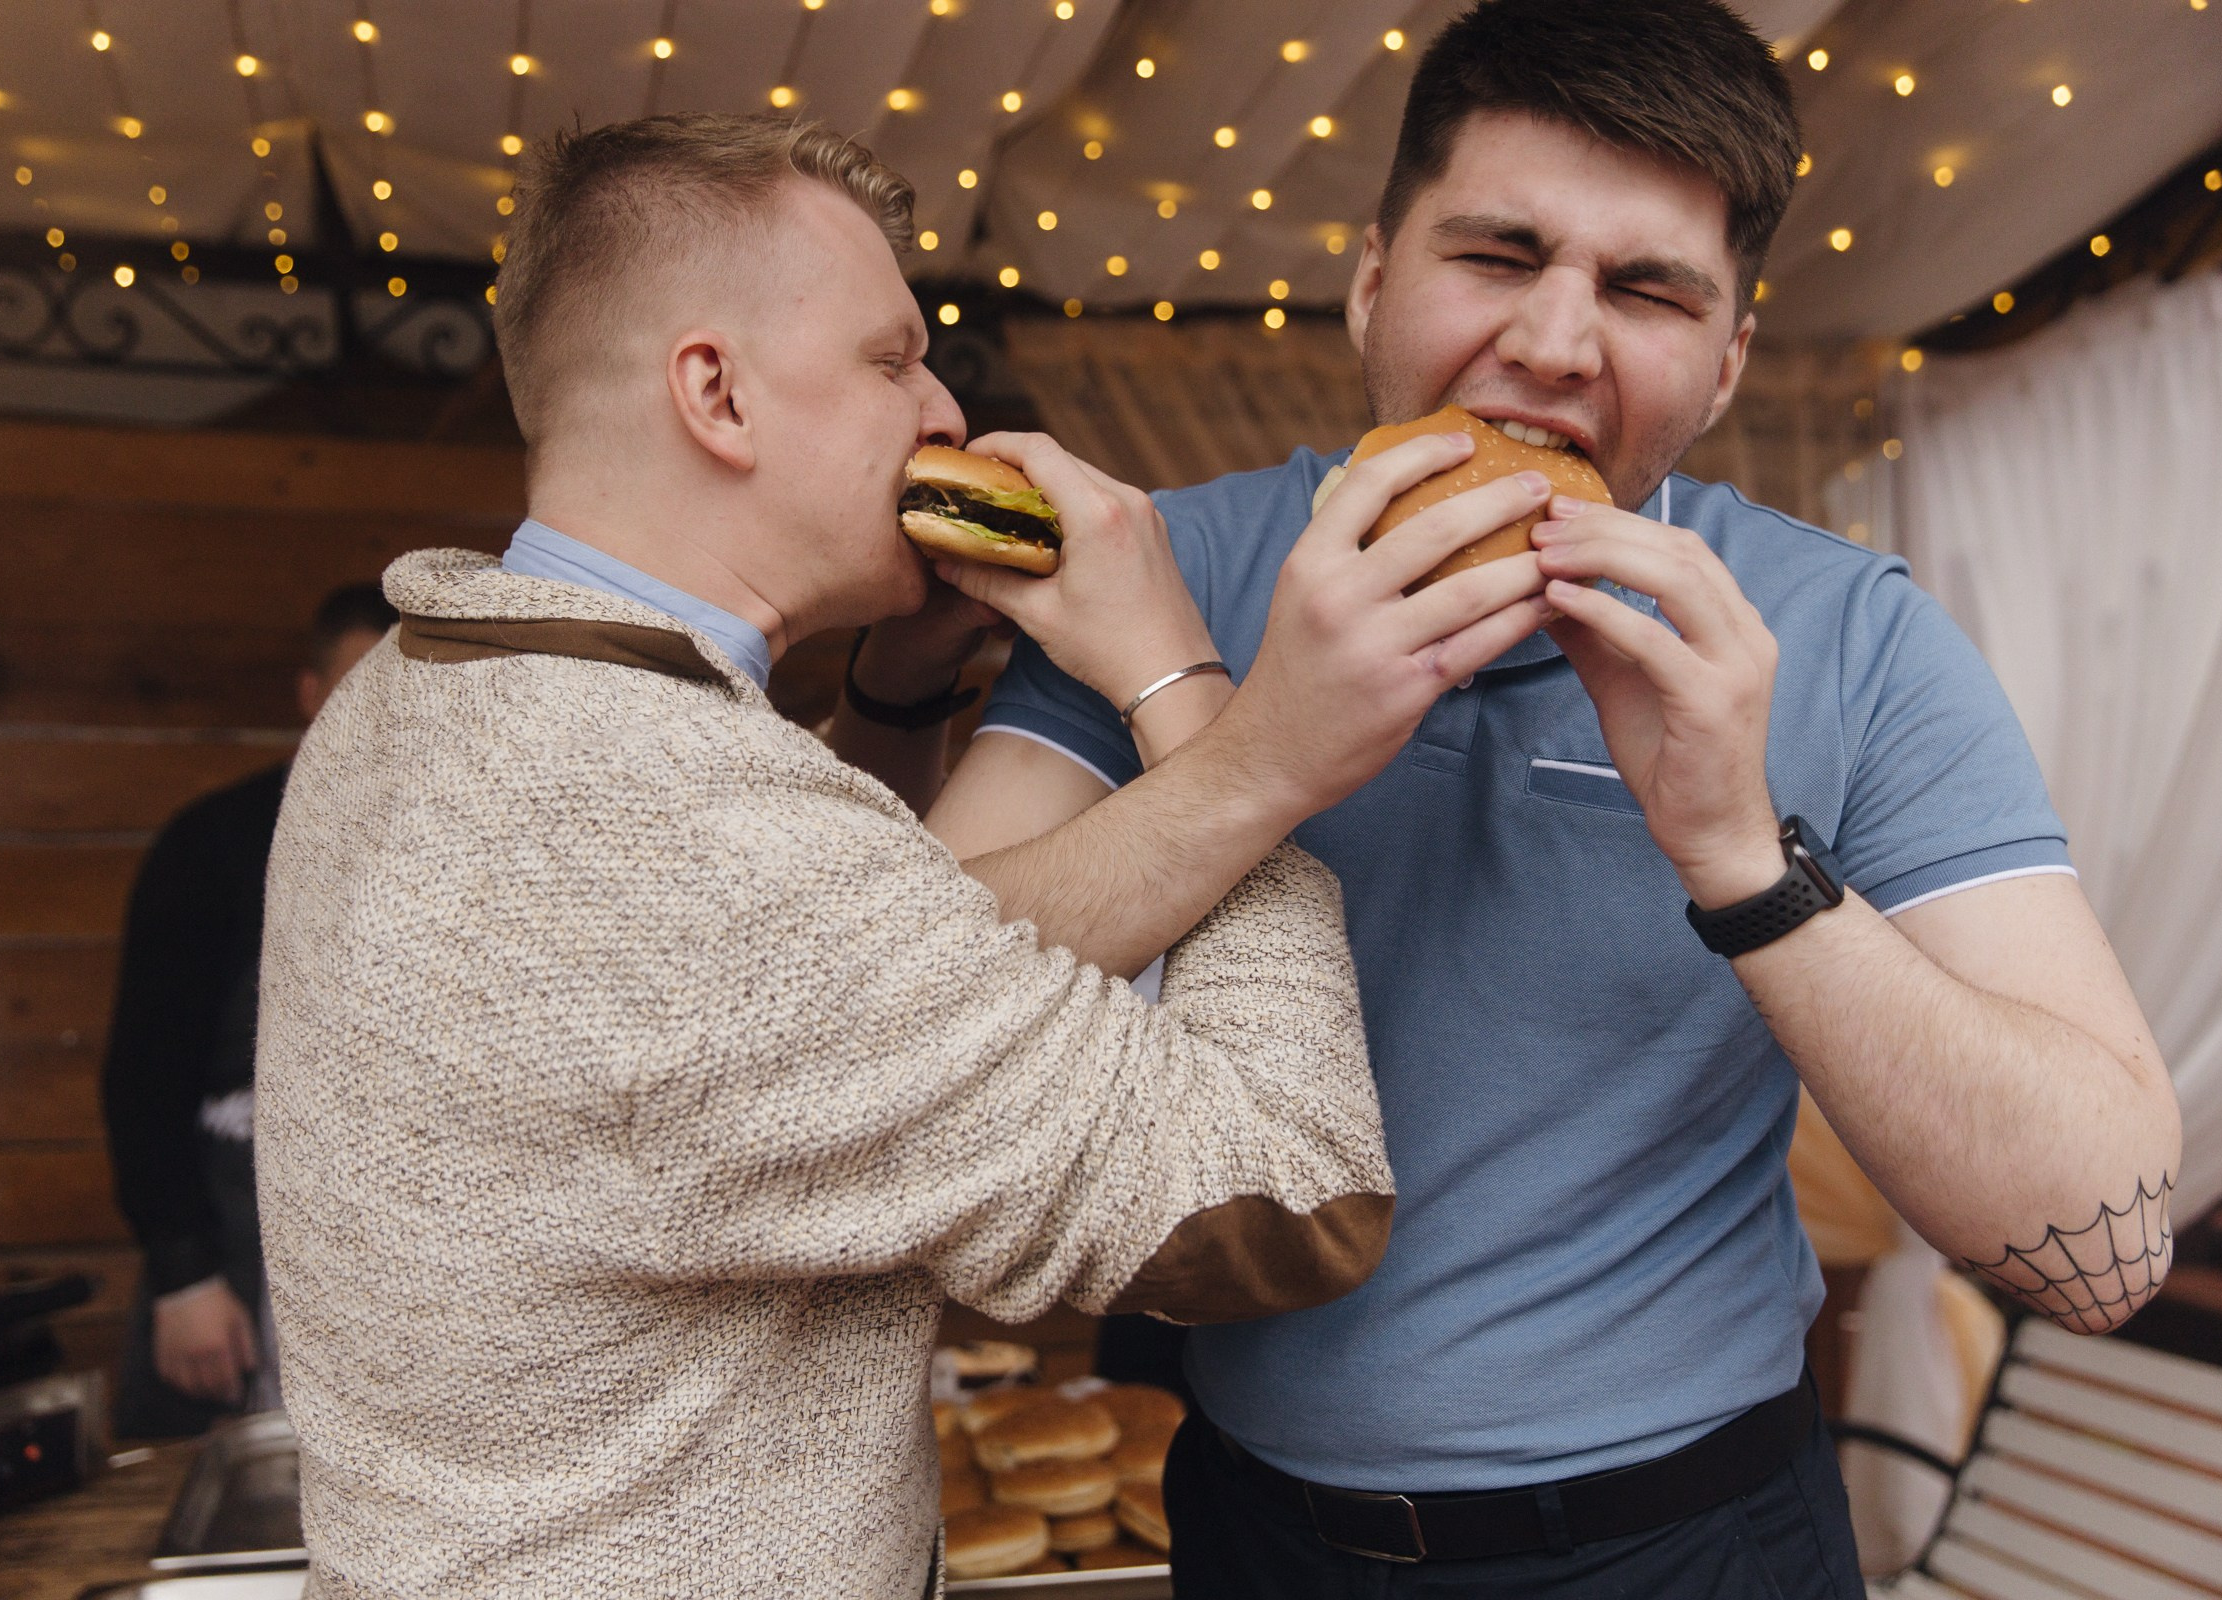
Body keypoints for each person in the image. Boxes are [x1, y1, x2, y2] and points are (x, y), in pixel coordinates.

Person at [896, 3, 2182, 1594]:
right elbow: (909, 1014)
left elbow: (2104, 1247)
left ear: (1724, 366)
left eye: (1647, 292)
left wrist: (1737, 856)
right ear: (1374, 277)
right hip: (1251, 1523)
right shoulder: (1168, 568)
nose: (1558, 344)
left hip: (1694, 1537)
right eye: (1499, 257)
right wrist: (1259, 755)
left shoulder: (1845, 640)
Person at [255, 113, 1563, 1597]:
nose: (943, 410)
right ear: (718, 393)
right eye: (891, 361)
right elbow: (1284, 1201)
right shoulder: (682, 841)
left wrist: (889, 697)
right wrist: (1223, 723)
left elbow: (798, 1003)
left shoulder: (428, 683)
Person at [101, 583, 393, 1438]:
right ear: (309, 694)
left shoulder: (463, 837)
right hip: (235, 1234)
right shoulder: (213, 844)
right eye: (356, 682)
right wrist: (185, 1275)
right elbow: (143, 1079)